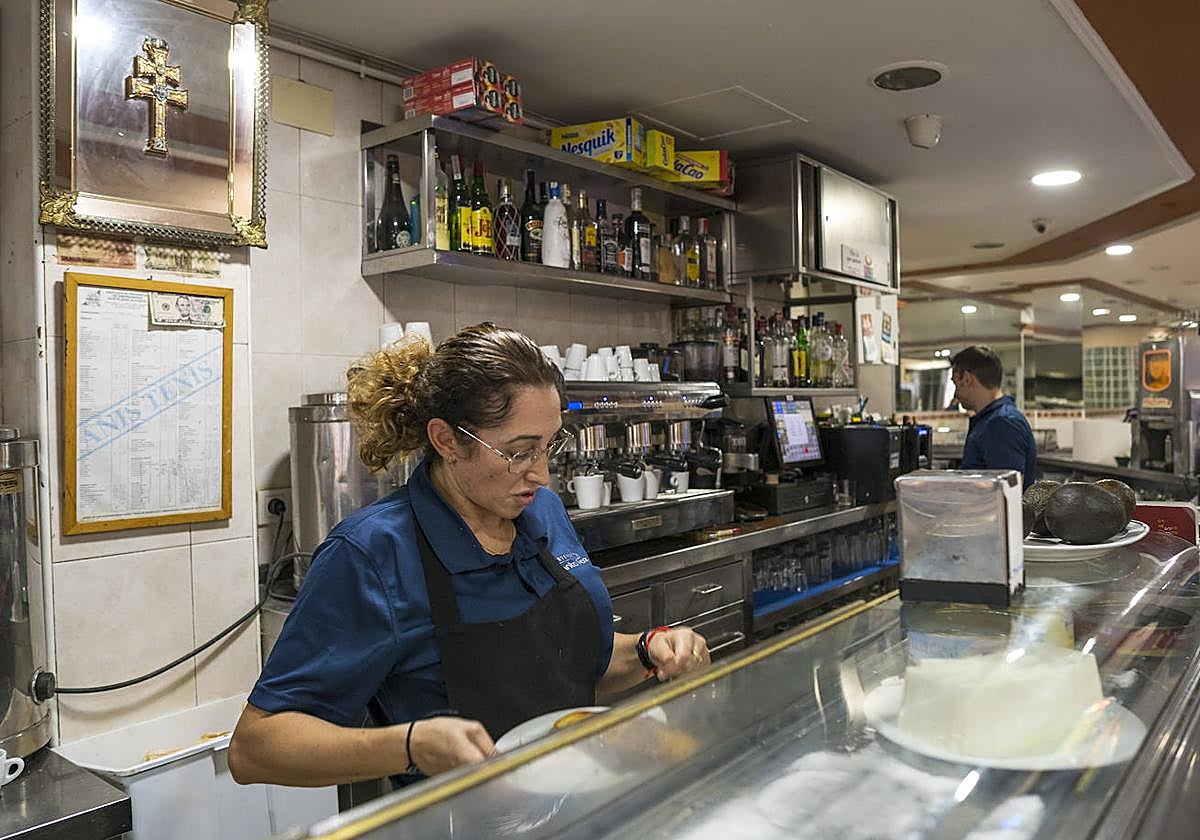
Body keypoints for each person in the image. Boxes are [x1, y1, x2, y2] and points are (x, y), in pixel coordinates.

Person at [229, 324, 710, 787]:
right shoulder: (372, 552)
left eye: (550, 446)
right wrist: (409, 745)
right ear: (446, 440)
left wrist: (648, 650)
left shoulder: (540, 509)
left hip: (576, 801)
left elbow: (577, 664)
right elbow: (255, 748)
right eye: (520, 452)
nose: (541, 474)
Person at [951, 345, 1038, 487]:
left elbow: (1008, 489)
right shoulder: (989, 421)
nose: (955, 395)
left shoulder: (1002, 423)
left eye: (956, 384)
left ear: (967, 379)